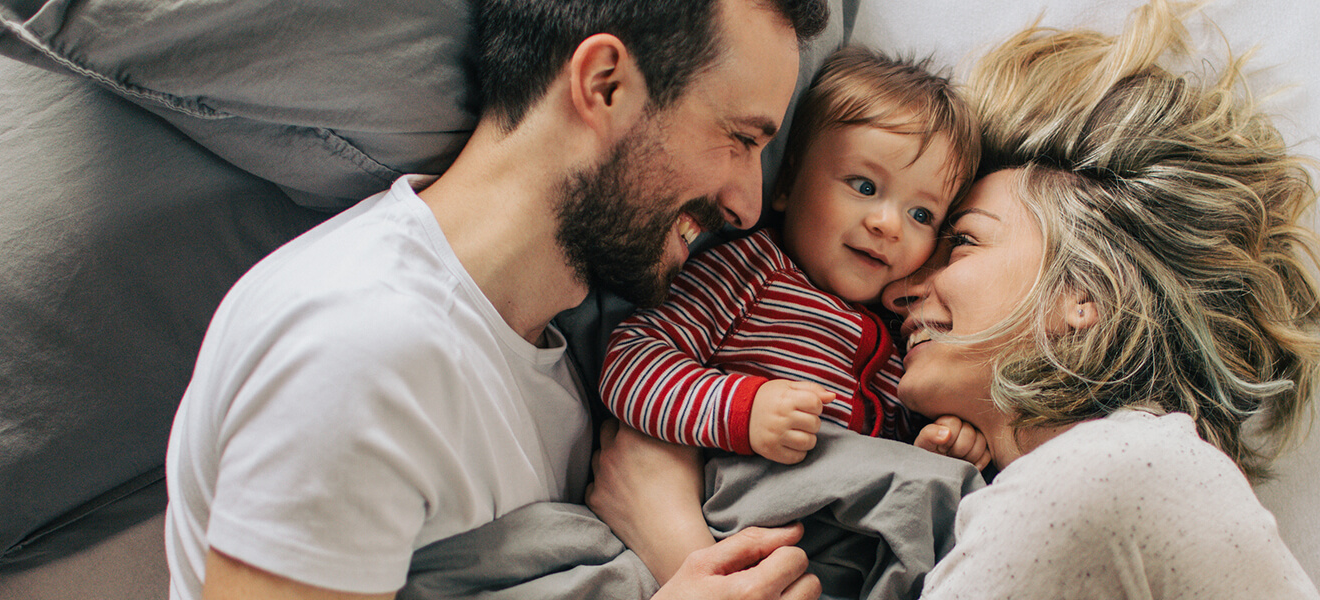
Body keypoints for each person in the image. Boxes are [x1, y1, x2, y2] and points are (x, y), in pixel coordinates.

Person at [590, 0, 1320, 597]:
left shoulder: (1107, 473)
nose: (908, 279)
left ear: (1083, 295)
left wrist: (673, 545)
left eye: (960, 239)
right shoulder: (1059, 489)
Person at [161, 1, 832, 599]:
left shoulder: (557, 344)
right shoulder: (356, 350)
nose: (747, 205)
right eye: (741, 140)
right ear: (605, 85)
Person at [600, 46, 987, 477]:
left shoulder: (905, 329)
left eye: (921, 215)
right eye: (863, 186)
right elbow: (630, 360)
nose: (888, 225)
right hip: (733, 500)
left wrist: (940, 443)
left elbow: (895, 449)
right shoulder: (747, 273)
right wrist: (744, 411)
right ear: (785, 183)